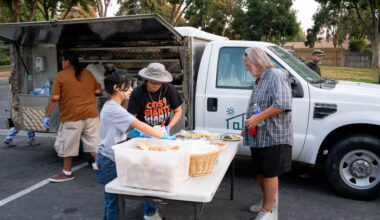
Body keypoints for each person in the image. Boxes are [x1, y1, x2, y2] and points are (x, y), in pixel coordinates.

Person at [94, 69, 174, 220]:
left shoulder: (113, 106)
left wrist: (140, 133)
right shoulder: (113, 107)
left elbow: (130, 128)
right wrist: (163, 136)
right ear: (117, 88)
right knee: (115, 201)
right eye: (128, 86)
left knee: (113, 200)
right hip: (109, 160)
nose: (132, 90)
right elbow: (140, 125)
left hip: (110, 157)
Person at [242, 48, 293, 220]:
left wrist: (257, 118)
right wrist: (248, 123)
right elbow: (256, 106)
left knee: (270, 173)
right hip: (258, 136)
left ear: (257, 62)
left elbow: (283, 103)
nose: (247, 69)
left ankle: (267, 211)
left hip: (274, 136)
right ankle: (268, 202)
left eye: (248, 65)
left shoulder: (276, 75)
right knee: (260, 171)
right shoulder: (258, 80)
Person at [43, 51, 101, 183]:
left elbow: (55, 98)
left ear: (67, 61)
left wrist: (47, 115)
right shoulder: (88, 73)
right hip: (91, 114)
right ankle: (102, 169)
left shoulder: (61, 76)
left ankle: (67, 172)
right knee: (94, 145)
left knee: (67, 145)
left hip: (72, 116)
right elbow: (97, 91)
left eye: (62, 61)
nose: (62, 63)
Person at [127, 63, 183, 136]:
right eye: (153, 82)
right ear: (146, 80)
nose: (156, 85)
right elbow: (131, 118)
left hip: (163, 132)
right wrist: (140, 132)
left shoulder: (169, 89)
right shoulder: (137, 93)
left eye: (159, 82)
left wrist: (169, 127)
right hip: (144, 133)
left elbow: (178, 111)